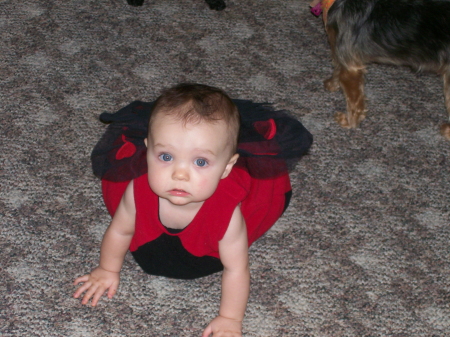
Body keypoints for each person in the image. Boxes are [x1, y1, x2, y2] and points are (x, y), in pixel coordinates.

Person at [73, 83, 313, 337]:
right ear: (147, 151)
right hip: (154, 235)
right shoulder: (137, 190)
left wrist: (230, 318)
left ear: (227, 167)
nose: (179, 174)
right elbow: (120, 231)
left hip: (209, 244)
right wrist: (107, 269)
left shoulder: (228, 214)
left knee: (266, 197)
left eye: (200, 162)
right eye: (165, 157)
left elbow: (236, 268)